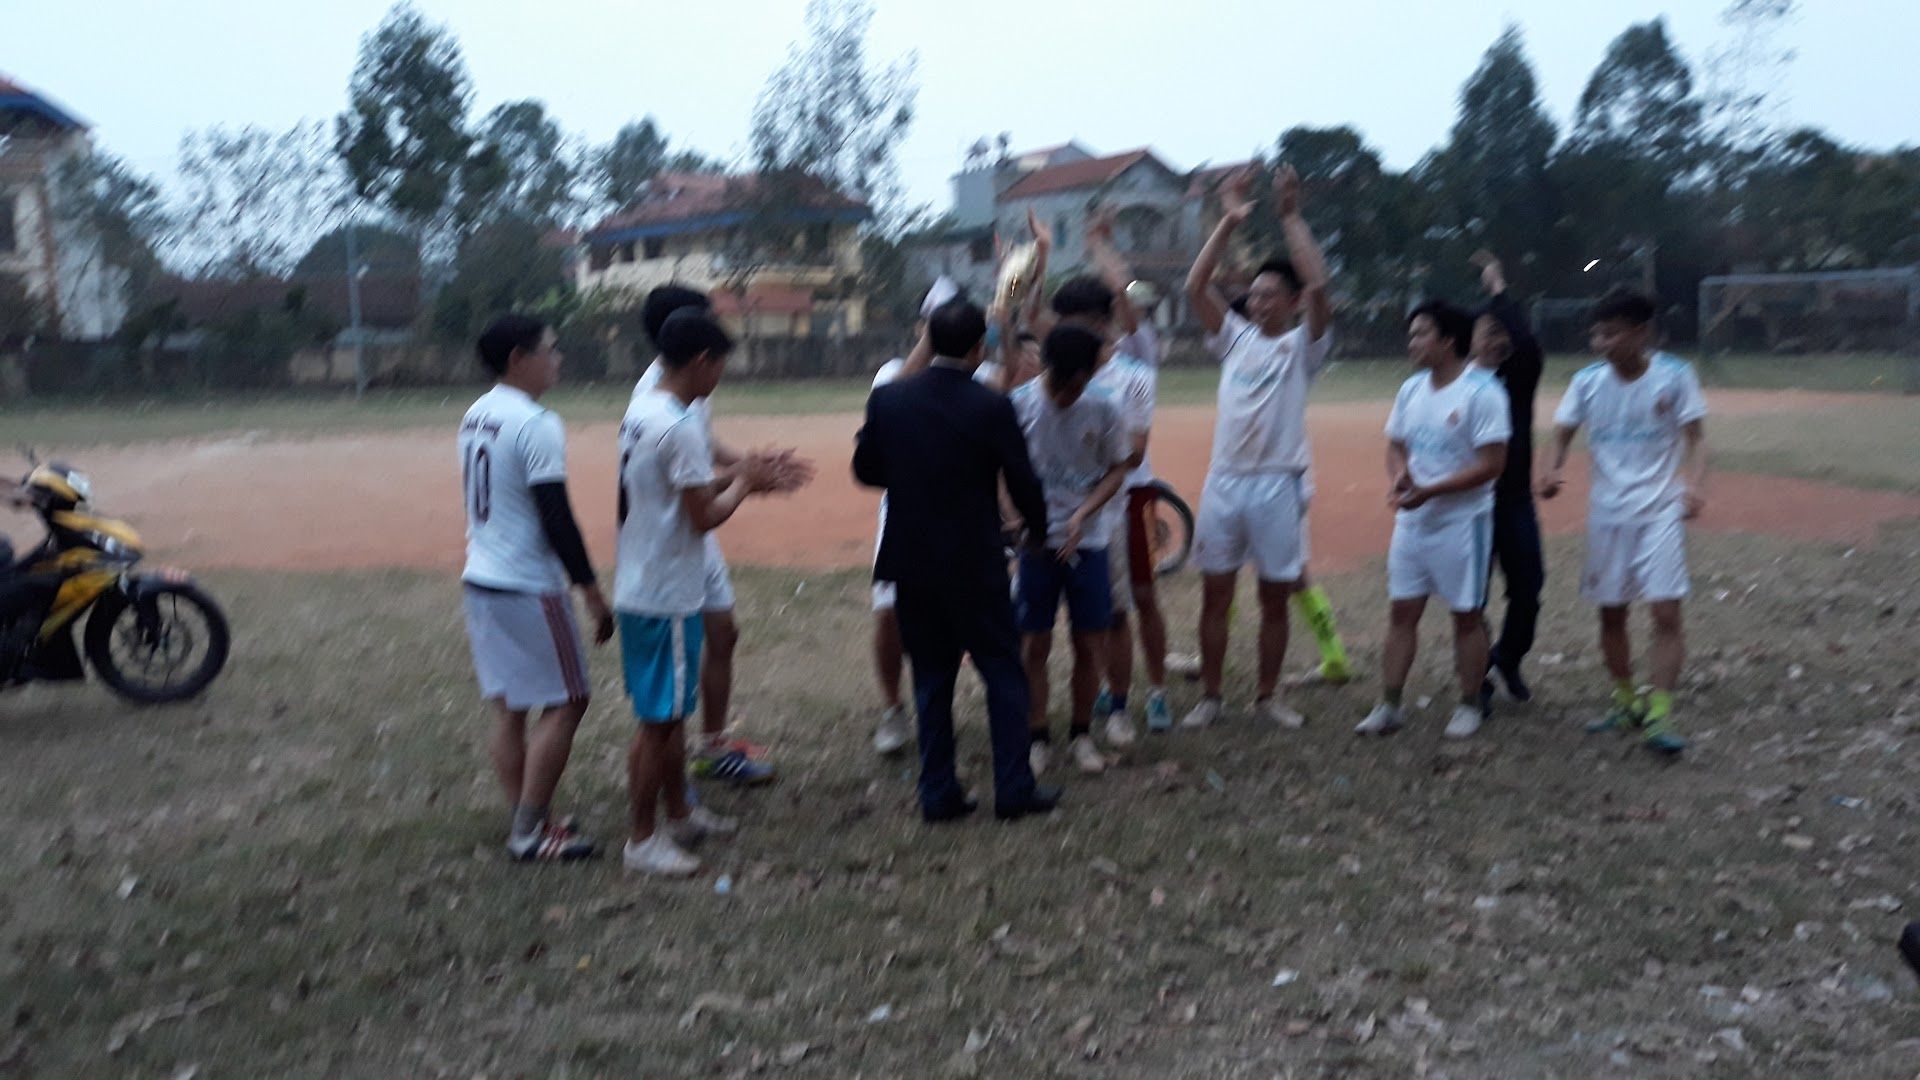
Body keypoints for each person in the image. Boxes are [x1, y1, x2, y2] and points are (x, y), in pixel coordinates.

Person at [854, 298, 1061, 823]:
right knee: (1003, 672)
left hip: (912, 559)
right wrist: (1038, 531)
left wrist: (913, 476)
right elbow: (1022, 479)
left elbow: (866, 468)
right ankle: (1013, 788)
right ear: (977, 348)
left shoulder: (889, 399)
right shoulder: (990, 405)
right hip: (974, 559)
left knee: (931, 678)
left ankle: (938, 793)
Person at [615, 309, 791, 877]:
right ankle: (643, 839)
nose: (719, 378)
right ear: (701, 362)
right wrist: (746, 483)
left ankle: (680, 813)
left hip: (641, 582)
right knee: (658, 725)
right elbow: (703, 515)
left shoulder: (642, 410)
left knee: (665, 717)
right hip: (665, 592)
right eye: (719, 367)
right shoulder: (678, 425)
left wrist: (745, 475)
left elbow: (679, 488)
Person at [634, 286, 815, 785]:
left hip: (690, 529)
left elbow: (703, 444)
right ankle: (674, 781)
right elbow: (694, 498)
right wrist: (747, 482)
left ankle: (712, 748)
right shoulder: (657, 398)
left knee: (722, 632)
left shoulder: (683, 387)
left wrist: (749, 464)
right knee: (674, 671)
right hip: (676, 537)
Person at [1180, 165, 1333, 730]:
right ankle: (1211, 698)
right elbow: (1195, 287)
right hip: (1225, 481)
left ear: (1292, 303)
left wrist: (1290, 218)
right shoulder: (1233, 339)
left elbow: (1321, 288)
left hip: (1276, 484)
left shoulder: (1303, 348)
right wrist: (1227, 221)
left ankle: (1267, 698)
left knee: (1274, 598)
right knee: (1214, 596)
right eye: (1255, 293)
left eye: (1270, 294)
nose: (1257, 300)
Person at [457, 314, 613, 862]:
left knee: (509, 708)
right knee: (570, 699)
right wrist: (591, 593)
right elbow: (556, 516)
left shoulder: (476, 413)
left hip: (481, 579)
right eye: (550, 349)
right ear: (518, 360)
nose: (559, 359)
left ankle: (529, 820)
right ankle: (529, 832)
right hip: (526, 584)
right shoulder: (536, 422)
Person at [1539, 290, 1707, 755]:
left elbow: (1696, 438)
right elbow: (1561, 435)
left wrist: (1694, 485)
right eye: (1597, 334)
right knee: (1611, 613)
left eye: (1611, 334)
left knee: (1666, 613)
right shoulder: (1587, 382)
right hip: (1608, 514)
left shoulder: (1675, 376)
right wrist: (1550, 470)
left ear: (1641, 333)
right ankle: (1626, 700)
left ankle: (1659, 714)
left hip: (1659, 512)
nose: (1601, 343)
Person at [870, 282, 1019, 757]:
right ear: (920, 327)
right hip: (906, 515)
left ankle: (953, 728)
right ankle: (893, 710)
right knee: (889, 614)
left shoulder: (981, 371)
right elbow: (888, 402)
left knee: (966, 626)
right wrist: (932, 342)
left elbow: (1008, 385)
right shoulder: (893, 373)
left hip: (965, 520)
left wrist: (1007, 322)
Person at [1355, 301, 1511, 739]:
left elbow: (1492, 465)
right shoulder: (1411, 390)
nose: (1412, 342)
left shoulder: (1483, 393)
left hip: (1463, 524)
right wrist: (1400, 476)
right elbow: (1396, 445)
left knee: (1466, 616)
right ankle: (1389, 704)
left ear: (1448, 341)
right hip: (1413, 523)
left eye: (1421, 333)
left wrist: (1432, 491)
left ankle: (1469, 703)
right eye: (1412, 334)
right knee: (1401, 612)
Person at [1010, 325, 1132, 776]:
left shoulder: (1104, 407)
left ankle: (1081, 735)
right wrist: (1016, 518)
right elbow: (1001, 470)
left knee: (1089, 642)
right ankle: (1036, 736)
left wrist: (1085, 512)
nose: (1067, 396)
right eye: (1060, 386)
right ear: (1046, 369)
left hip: (1089, 543)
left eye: (1077, 386)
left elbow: (1118, 469)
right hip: (1037, 545)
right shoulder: (1019, 404)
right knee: (1033, 643)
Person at [1469, 253, 1546, 705]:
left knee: (1528, 588)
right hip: (1471, 504)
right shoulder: (1459, 383)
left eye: (1503, 332)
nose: (1499, 338)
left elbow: (1525, 339)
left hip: (1514, 500)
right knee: (1472, 598)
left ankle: (1509, 658)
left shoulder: (1519, 376)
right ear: (1469, 341)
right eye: (1489, 330)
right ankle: (1476, 675)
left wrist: (1499, 288)